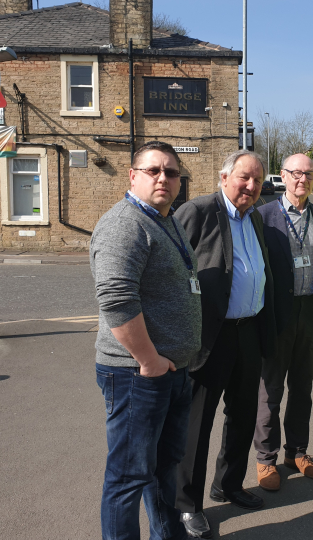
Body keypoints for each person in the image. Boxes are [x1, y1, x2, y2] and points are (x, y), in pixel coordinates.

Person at [90, 140, 201, 540]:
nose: (163, 178)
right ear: (132, 175)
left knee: (163, 466)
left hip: (172, 371)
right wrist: (149, 359)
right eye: (153, 170)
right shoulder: (124, 223)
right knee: (128, 476)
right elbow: (117, 299)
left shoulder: (165, 220)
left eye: (171, 172)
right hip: (138, 374)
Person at [174, 149, 276, 539]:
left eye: (257, 181)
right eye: (244, 178)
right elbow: (171, 272)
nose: (251, 186)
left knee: (243, 415)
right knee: (197, 426)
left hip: (248, 331)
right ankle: (187, 505)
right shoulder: (198, 212)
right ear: (224, 177)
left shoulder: (256, 218)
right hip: (209, 337)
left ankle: (228, 485)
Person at [253, 154, 313, 491]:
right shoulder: (264, 216)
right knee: (270, 391)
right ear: (283, 176)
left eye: (308, 173)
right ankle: (265, 459)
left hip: (312, 314)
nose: (302, 179)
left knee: (302, 389)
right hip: (278, 315)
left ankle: (297, 453)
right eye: (296, 173)